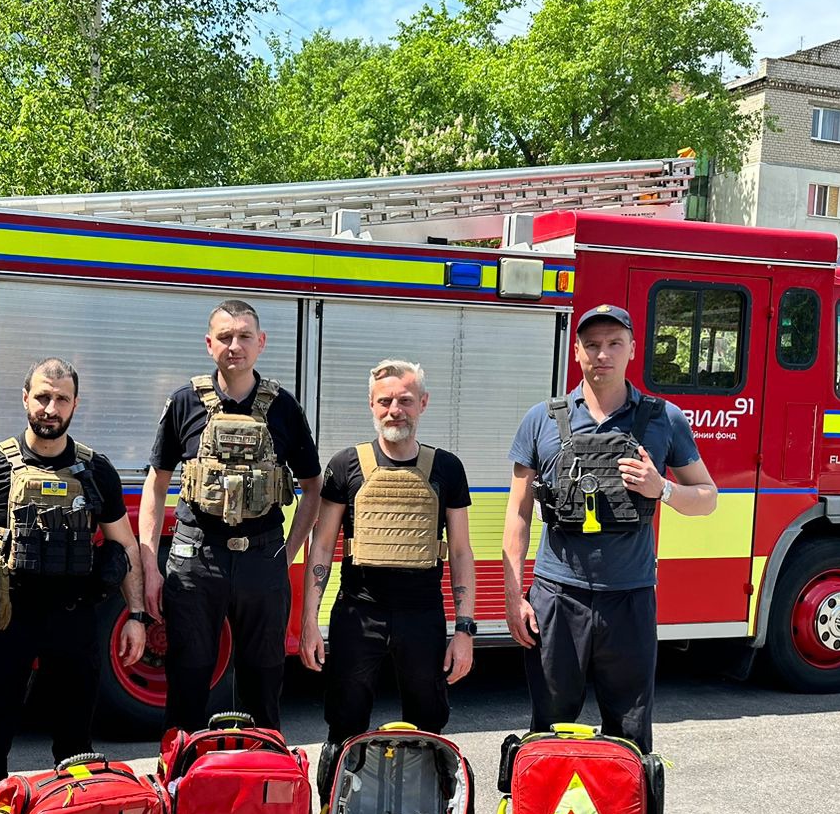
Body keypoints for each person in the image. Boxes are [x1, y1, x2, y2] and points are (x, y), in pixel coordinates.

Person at [502, 304, 718, 753]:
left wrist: (663, 489)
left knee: (630, 734)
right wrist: (513, 596)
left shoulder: (664, 418)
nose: (603, 354)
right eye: (592, 345)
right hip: (557, 596)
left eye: (614, 344)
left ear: (633, 350)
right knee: (548, 729)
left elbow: (707, 498)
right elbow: (518, 513)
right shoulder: (541, 419)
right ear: (576, 352)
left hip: (630, 596)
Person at [0, 358, 147, 808]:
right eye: (43, 397)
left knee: (75, 746)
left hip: (74, 620)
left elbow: (124, 546)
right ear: (25, 398)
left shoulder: (96, 470)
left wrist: (137, 617)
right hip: (5, 620)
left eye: (61, 399)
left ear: (75, 404)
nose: (51, 408)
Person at [139, 299, 322, 732]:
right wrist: (150, 566)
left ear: (261, 343)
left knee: (263, 681)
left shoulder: (284, 408)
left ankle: (262, 787)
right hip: (196, 560)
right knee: (187, 678)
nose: (234, 346)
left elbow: (313, 488)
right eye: (224, 337)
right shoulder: (184, 402)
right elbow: (156, 484)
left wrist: (287, 553)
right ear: (209, 344)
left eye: (244, 337)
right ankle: (181, 785)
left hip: (262, 559)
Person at [300, 359, 475, 744]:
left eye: (405, 400)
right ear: (371, 404)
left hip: (423, 617)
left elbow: (461, 552)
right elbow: (323, 546)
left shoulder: (447, 467)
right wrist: (309, 622)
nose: (394, 410)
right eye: (385, 401)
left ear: (423, 403)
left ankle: (432, 804)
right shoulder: (345, 465)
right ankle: (333, 803)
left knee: (429, 728)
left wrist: (464, 631)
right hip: (358, 615)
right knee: (344, 726)